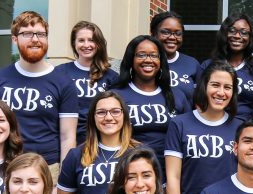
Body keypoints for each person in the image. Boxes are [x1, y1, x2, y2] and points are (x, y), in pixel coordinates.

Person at [0, 11, 79, 170]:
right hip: (3, 166)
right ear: (14, 39)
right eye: (27, 34)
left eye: (41, 34)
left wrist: (63, 181)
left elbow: (68, 137)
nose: (35, 39)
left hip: (48, 169)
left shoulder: (64, 82)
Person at [164, 60, 244, 194]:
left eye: (227, 87)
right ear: (204, 86)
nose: (221, 92)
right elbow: (173, 176)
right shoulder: (179, 124)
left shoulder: (240, 128)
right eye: (215, 85)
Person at [110, 35, 189, 169]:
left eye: (154, 56)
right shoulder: (116, 96)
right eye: (141, 55)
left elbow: (187, 134)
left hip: (170, 171)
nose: (148, 60)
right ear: (131, 59)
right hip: (128, 170)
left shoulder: (177, 95)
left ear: (161, 61)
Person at [199, 13, 253, 121]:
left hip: (248, 130)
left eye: (244, 32)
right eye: (232, 30)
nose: (237, 36)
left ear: (250, 37)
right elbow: (199, 102)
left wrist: (250, 129)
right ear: (224, 33)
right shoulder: (208, 65)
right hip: (213, 128)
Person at [56, 21, 118, 146]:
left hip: (100, 141)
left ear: (99, 43)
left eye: (91, 40)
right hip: (66, 141)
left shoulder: (111, 77)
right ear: (74, 43)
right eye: (81, 40)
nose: (86, 45)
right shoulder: (60, 72)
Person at [151, 10, 202, 101]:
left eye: (178, 33)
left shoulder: (192, 64)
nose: (172, 37)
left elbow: (200, 99)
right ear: (154, 34)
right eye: (166, 32)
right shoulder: (145, 63)